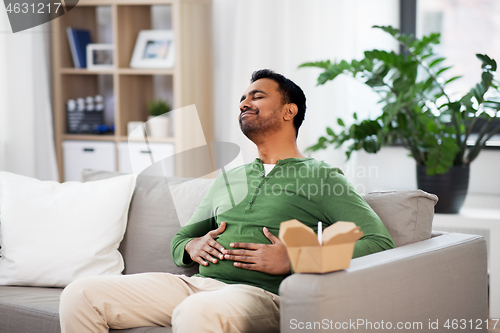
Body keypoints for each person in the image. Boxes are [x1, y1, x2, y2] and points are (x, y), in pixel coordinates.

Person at [59, 69, 396, 333]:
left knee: (196, 313)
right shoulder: (228, 178)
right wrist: (192, 247)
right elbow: (181, 239)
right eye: (242, 99)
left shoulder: (321, 176)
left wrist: (294, 258)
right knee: (81, 295)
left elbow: (379, 241)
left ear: (288, 111)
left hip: (262, 295)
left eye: (257, 96)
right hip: (196, 285)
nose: (243, 103)